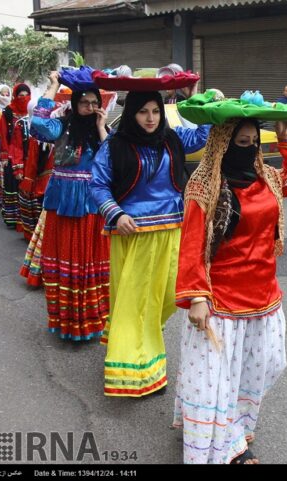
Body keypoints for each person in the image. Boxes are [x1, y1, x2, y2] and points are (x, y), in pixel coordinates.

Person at [173, 117, 287, 464]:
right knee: (216, 381)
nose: (249, 149)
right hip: (221, 300)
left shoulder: (267, 178)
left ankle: (231, 426)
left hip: (264, 294)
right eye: (241, 142)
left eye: (254, 143)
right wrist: (198, 297)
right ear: (223, 144)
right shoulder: (204, 186)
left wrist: (284, 137)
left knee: (267, 365)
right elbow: (191, 246)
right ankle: (228, 443)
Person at [89, 90, 209, 397]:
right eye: (143, 112)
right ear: (132, 114)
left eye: (155, 111)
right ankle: (134, 371)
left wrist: (201, 101)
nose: (151, 118)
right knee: (135, 303)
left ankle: (136, 345)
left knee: (168, 296)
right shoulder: (114, 145)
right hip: (134, 234)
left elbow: (203, 134)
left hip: (173, 230)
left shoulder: (172, 137)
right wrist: (116, 214)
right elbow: (98, 185)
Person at [25, 71, 111, 339]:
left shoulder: (105, 132)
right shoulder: (61, 126)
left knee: (90, 262)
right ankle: (66, 322)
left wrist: (101, 127)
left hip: (92, 204)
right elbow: (37, 124)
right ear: (74, 104)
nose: (89, 108)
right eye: (84, 103)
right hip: (63, 202)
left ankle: (94, 321)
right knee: (66, 261)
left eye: (94, 103)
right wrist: (53, 86)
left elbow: (115, 159)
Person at [0, 84, 33, 232]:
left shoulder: (33, 112)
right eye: (20, 95)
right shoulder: (8, 112)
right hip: (12, 155)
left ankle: (24, 218)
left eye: (26, 95)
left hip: (28, 155)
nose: (23, 98)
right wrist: (5, 155)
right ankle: (12, 217)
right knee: (12, 184)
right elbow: (4, 134)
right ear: (15, 96)